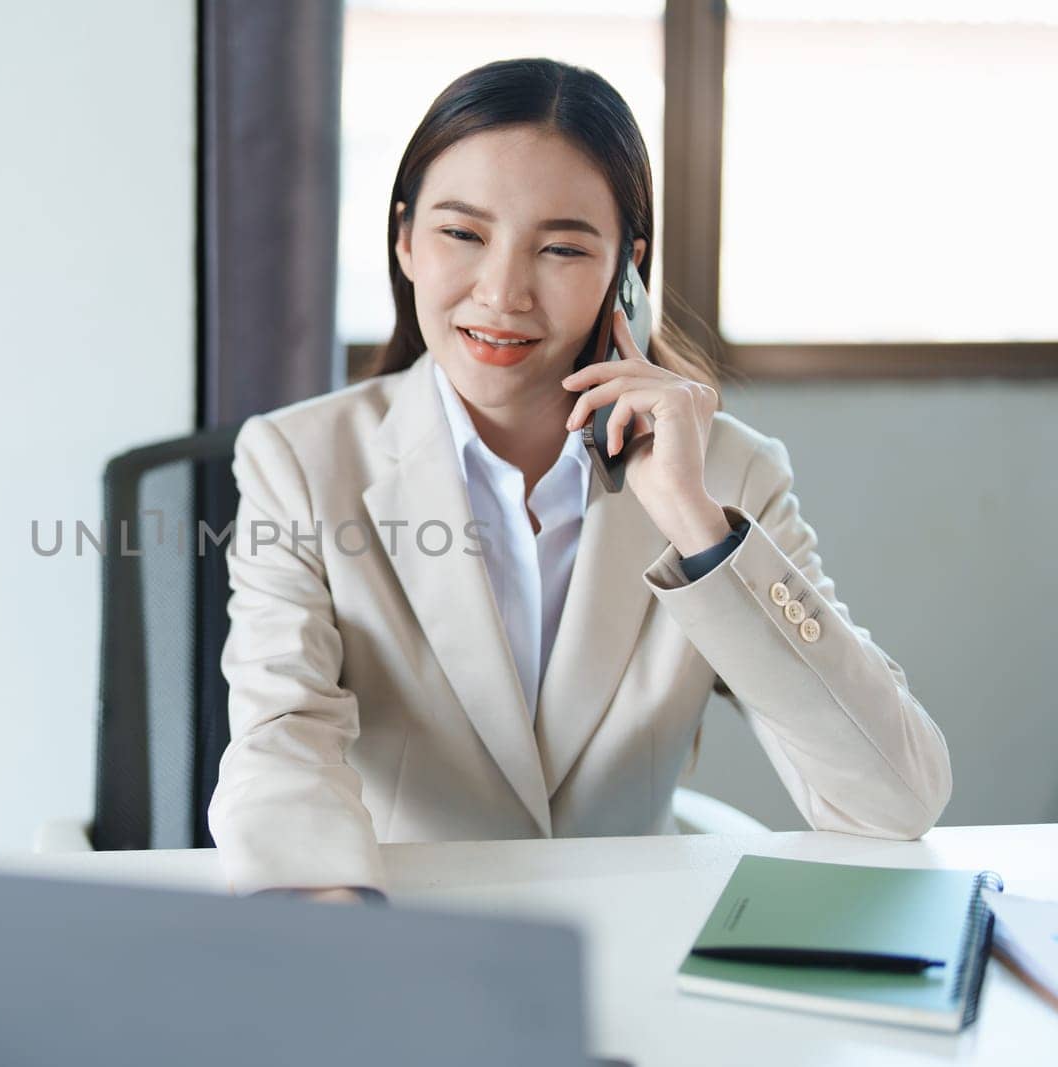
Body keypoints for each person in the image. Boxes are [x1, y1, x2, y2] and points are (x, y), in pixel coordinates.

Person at [206, 58, 951, 905]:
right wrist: (333, 928)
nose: (503, 292)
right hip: (402, 935)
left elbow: (894, 801)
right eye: (463, 234)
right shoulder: (298, 461)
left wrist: (699, 529)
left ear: (625, 273)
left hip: (634, 947)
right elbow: (281, 744)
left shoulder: (729, 471)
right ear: (405, 238)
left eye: (561, 247)